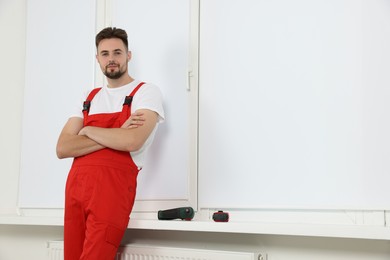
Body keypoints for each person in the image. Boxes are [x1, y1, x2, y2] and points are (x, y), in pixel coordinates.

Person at [56, 27, 164, 260]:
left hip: (111, 195)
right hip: (76, 191)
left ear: (128, 55)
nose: (111, 59)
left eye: (117, 52)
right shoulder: (89, 97)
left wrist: (87, 130)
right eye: (105, 54)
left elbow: (133, 140)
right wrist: (115, 133)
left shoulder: (145, 93)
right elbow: (63, 147)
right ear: (97, 58)